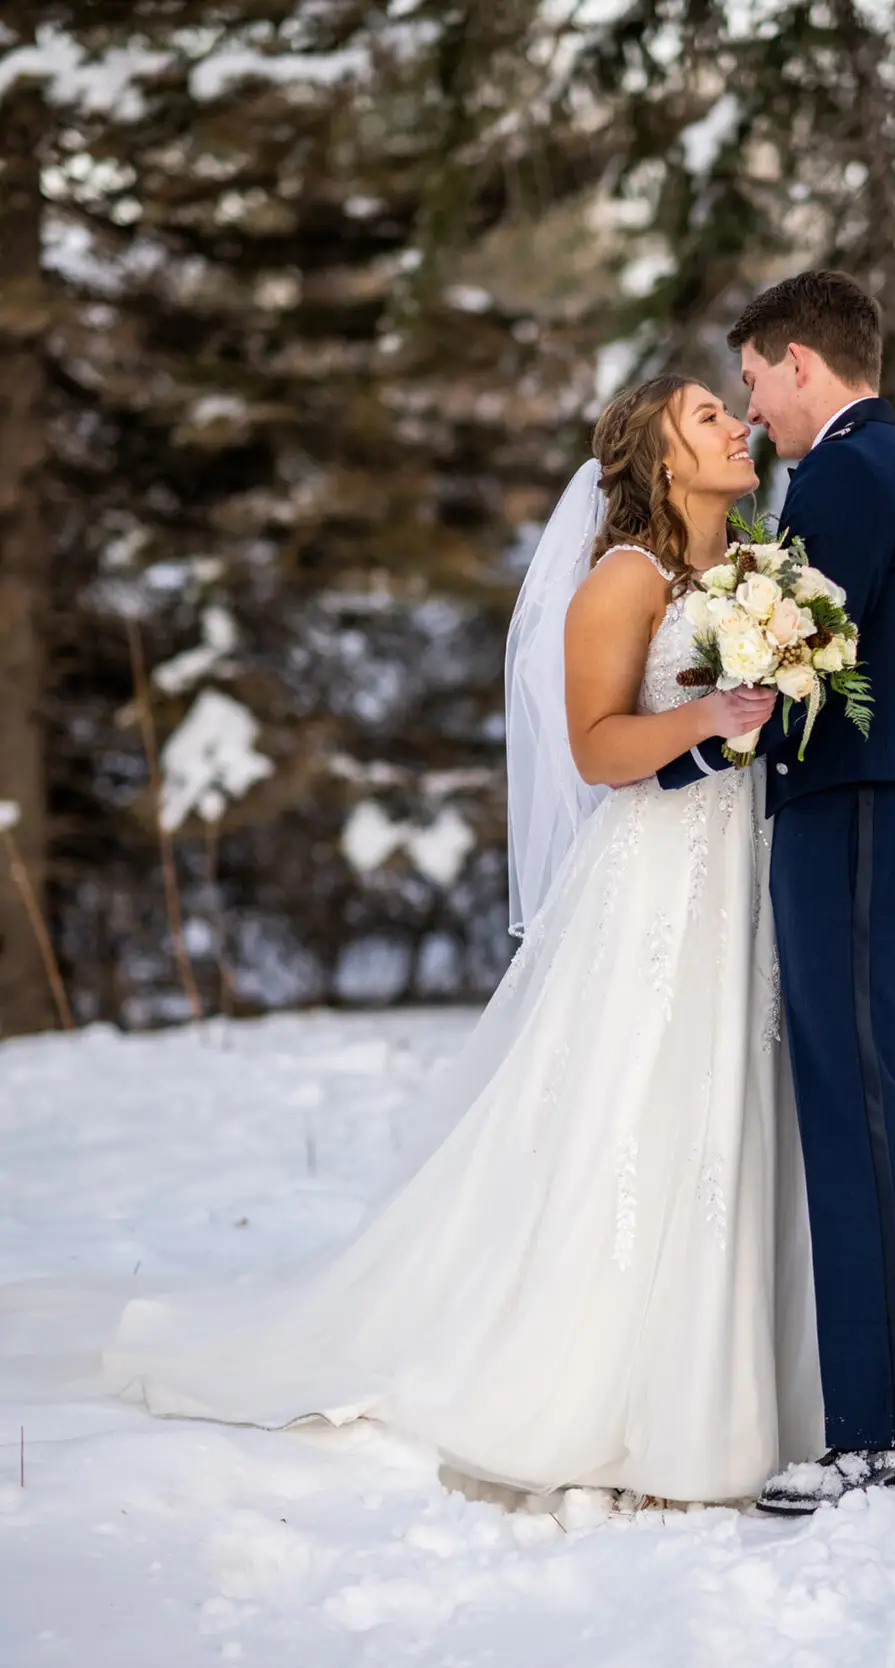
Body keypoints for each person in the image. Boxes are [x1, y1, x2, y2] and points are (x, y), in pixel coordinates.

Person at [82, 374, 822, 1506]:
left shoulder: (751, 573)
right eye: (707, 418)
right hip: (656, 883)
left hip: (741, 873)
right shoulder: (621, 581)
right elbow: (595, 747)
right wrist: (710, 722)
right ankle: (610, 1387)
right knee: (642, 1105)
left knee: (730, 1101)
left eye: (732, 410)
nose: (736, 426)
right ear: (664, 460)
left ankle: (733, 1383)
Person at [651, 270, 895, 1510]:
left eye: (751, 378)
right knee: (882, 1110)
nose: (752, 409)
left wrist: (694, 739)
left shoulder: (844, 475)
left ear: (801, 361)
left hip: (850, 818)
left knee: (859, 1117)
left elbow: (792, 655)